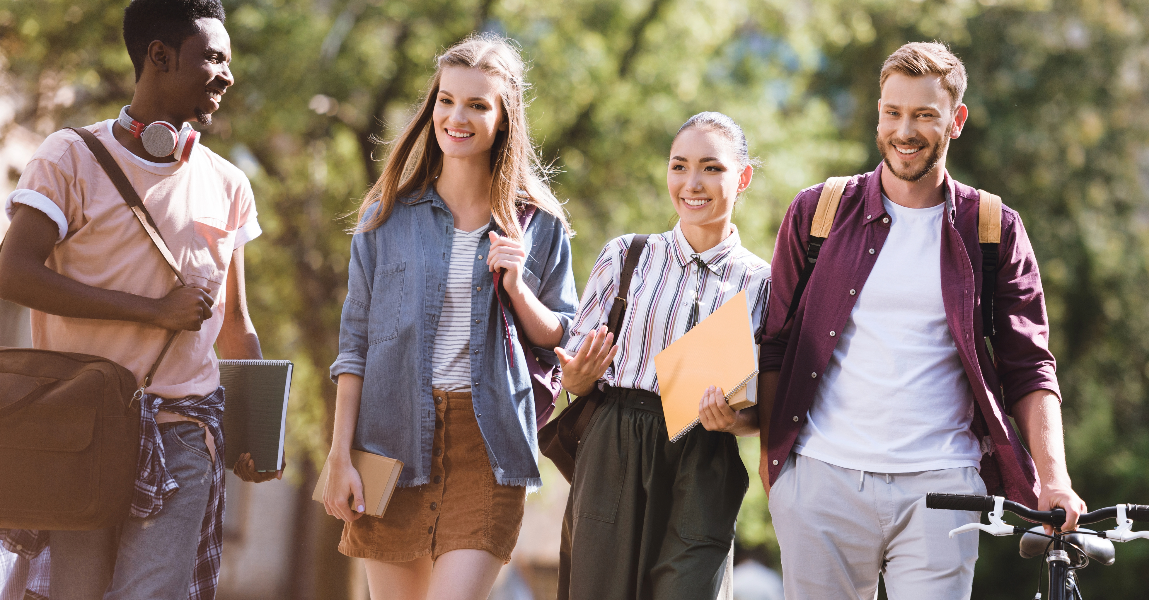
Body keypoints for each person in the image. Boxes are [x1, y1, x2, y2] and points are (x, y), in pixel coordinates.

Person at [756, 42, 1087, 599]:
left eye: (924, 115)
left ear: (955, 121)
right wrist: (777, 469)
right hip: (821, 481)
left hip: (943, 489)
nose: (904, 131)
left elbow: (1029, 366)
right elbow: (776, 347)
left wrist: (1053, 475)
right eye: (893, 113)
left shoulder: (992, 227)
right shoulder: (819, 213)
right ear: (879, 113)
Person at [0, 1, 278, 599]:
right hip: (80, 426)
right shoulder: (68, 158)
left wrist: (256, 430)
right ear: (160, 55)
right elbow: (14, 274)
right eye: (213, 58)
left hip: (183, 436)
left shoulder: (229, 184)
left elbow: (235, 322)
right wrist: (151, 311)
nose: (228, 75)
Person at [322, 34, 577, 600]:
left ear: (504, 117)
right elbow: (354, 345)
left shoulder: (538, 226)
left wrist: (515, 288)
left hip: (486, 446)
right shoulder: (384, 218)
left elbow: (561, 335)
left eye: (477, 105)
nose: (456, 117)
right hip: (387, 441)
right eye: (446, 100)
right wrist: (339, 457)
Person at [555, 112, 771, 600]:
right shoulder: (626, 256)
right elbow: (575, 372)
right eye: (680, 166)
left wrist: (732, 421)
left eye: (712, 168)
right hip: (614, 445)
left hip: (703, 454)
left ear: (743, 176)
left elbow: (761, 412)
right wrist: (576, 377)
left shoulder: (764, 284)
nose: (692, 183)